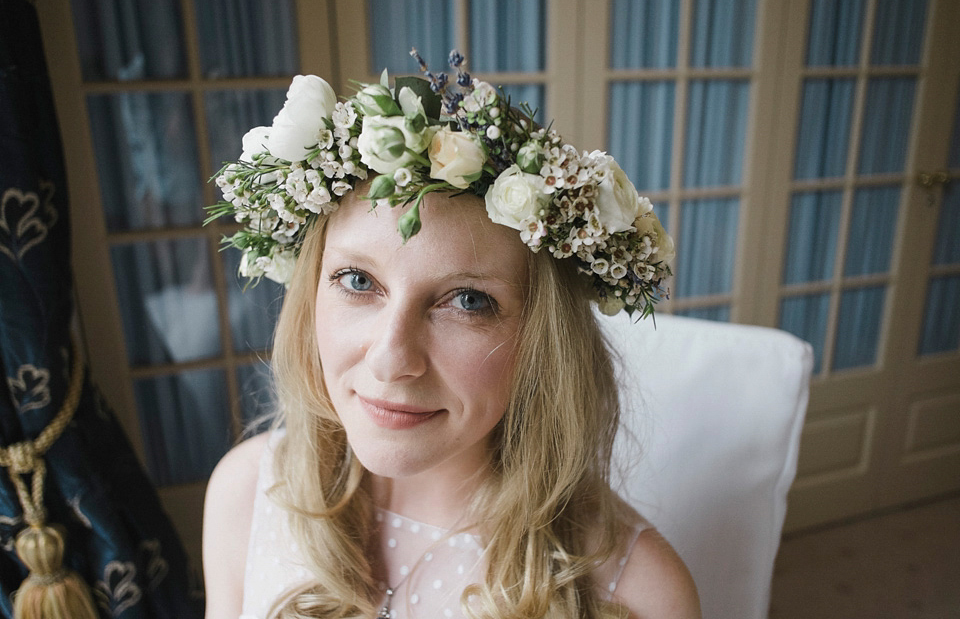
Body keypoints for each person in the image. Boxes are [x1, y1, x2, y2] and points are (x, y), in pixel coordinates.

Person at [202, 50, 698, 619]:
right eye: (357, 280)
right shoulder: (246, 494)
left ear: (543, 340)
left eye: (467, 301)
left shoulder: (639, 593)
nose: (392, 360)